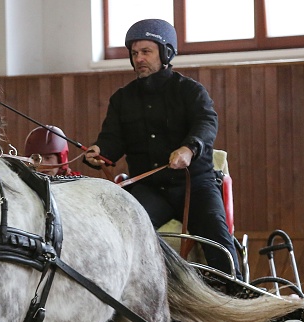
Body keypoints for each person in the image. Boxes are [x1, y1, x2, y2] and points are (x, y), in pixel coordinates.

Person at [84, 19, 239, 276]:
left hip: (195, 185)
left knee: (216, 236)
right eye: (134, 54)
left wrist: (189, 149)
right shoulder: (122, 99)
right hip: (151, 188)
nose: (139, 59)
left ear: (166, 53)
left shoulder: (190, 91)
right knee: (121, 229)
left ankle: (235, 291)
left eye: (146, 52)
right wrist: (100, 152)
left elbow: (207, 123)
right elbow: (112, 139)